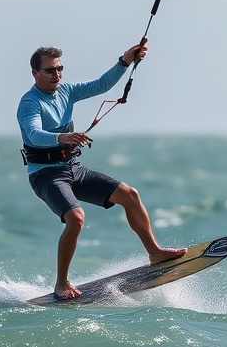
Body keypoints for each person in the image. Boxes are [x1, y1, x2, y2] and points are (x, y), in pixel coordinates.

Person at [17, 41, 186, 300]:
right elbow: (33, 134)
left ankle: (155, 252)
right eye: (50, 70)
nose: (57, 75)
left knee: (130, 195)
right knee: (76, 218)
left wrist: (124, 61)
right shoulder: (29, 103)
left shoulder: (67, 91)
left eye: (60, 69)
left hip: (73, 168)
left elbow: (100, 85)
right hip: (46, 174)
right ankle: (61, 283)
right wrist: (62, 138)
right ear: (35, 73)